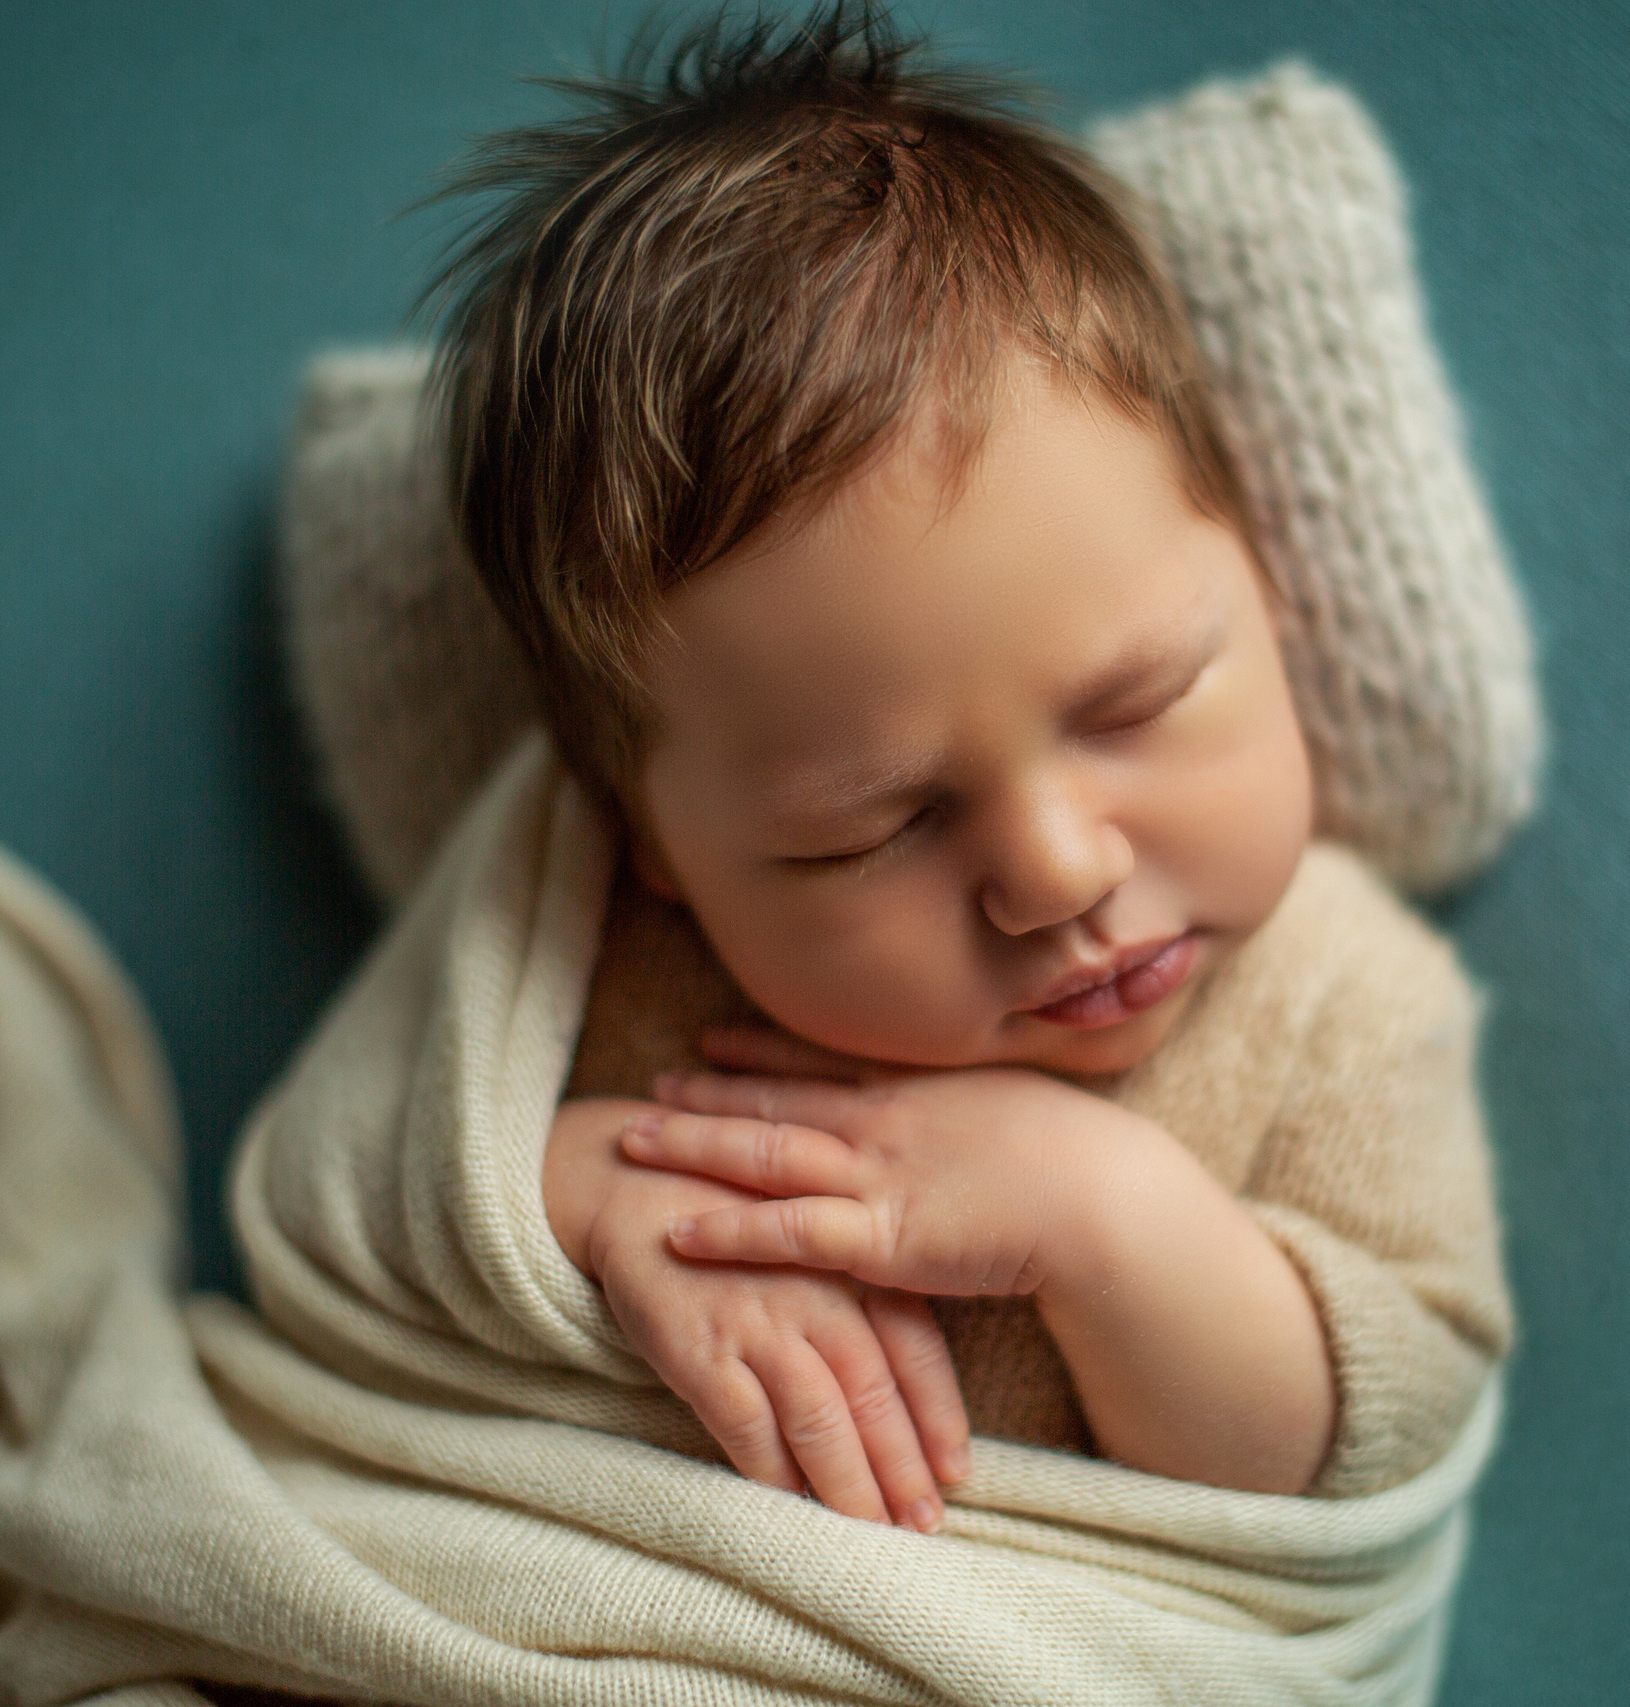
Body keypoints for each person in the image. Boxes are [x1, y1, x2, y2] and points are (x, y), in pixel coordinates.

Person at [425, 2, 1513, 1539]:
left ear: (1264, 582)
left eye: (1139, 700)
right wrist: (582, 1193)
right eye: (875, 828)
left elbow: (1380, 1433)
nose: (1059, 872)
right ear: (652, 840)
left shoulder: (1348, 1003)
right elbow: (358, 1198)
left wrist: (1102, 1221)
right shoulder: (594, 946)